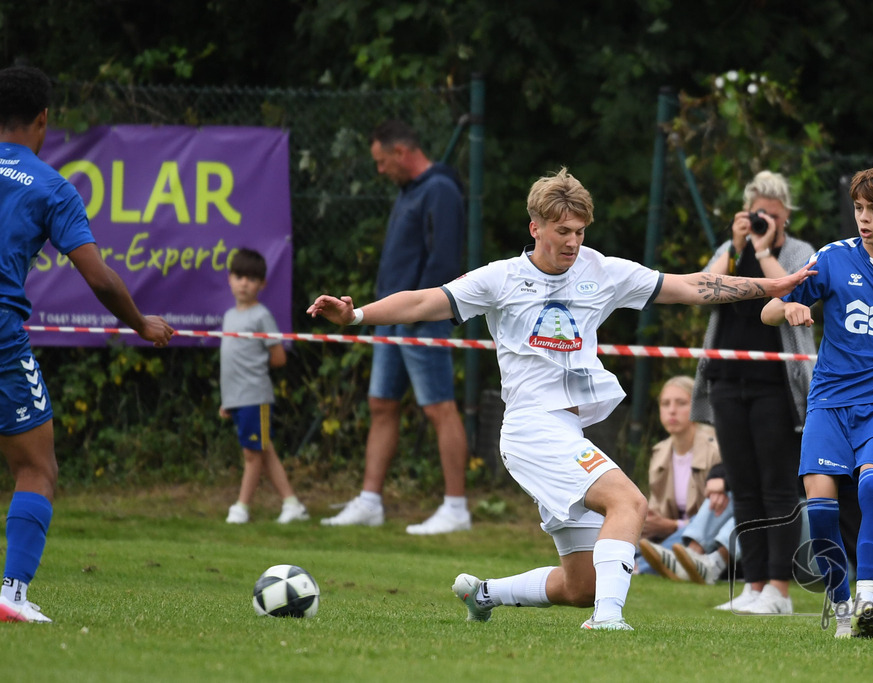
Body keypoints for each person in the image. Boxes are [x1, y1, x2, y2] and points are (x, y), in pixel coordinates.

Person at [307, 167, 816, 630]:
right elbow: (423, 301)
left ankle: (484, 594)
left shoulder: (601, 270)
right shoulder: (501, 278)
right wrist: (356, 317)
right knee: (629, 502)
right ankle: (608, 623)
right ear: (535, 227)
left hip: (565, 433)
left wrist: (774, 284)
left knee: (580, 584)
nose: (572, 243)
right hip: (532, 428)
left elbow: (689, 286)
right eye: (562, 232)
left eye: (579, 232)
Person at [0, 65, 174, 623]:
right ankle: (11, 593)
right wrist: (141, 323)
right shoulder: (51, 186)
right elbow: (98, 276)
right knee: (36, 468)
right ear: (43, 119)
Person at [762, 161, 873, 639]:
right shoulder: (832, 259)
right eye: (859, 208)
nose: (864, 218)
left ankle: (867, 597)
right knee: (821, 512)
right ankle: (841, 605)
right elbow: (768, 309)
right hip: (830, 400)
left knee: (871, 488)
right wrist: (792, 305)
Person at [321, 120, 471, 535]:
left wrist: (421, 317)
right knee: (381, 404)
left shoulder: (440, 189)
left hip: (421, 321)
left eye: (382, 161)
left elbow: (443, 261)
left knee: (439, 408)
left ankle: (456, 508)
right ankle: (370, 502)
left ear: (402, 153)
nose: (380, 171)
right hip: (389, 320)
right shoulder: (410, 192)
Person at [690, 170, 817, 614]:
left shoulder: (800, 252)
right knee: (744, 487)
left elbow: (794, 292)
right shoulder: (730, 249)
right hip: (727, 380)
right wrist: (738, 246)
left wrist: (763, 251)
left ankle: (779, 590)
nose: (766, 221)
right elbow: (705, 291)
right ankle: (753, 584)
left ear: (786, 217)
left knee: (778, 487)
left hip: (777, 385)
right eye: (758, 214)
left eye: (774, 216)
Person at [219, 248, 308, 525]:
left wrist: (252, 375)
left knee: (252, 454)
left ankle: (241, 507)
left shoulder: (262, 316)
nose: (244, 282)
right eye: (239, 276)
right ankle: (292, 504)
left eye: (251, 278)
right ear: (230, 279)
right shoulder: (229, 316)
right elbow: (231, 365)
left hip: (255, 397)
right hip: (237, 399)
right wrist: (228, 400)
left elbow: (278, 357)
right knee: (263, 449)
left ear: (262, 284)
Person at [635, 375, 738, 585]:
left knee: (659, 546)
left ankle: (639, 567)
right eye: (665, 404)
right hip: (674, 535)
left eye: (681, 403)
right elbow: (658, 513)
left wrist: (671, 525)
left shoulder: (716, 447)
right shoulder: (659, 452)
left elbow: (717, 513)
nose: (671, 410)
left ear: (696, 407)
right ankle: (635, 561)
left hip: (710, 534)